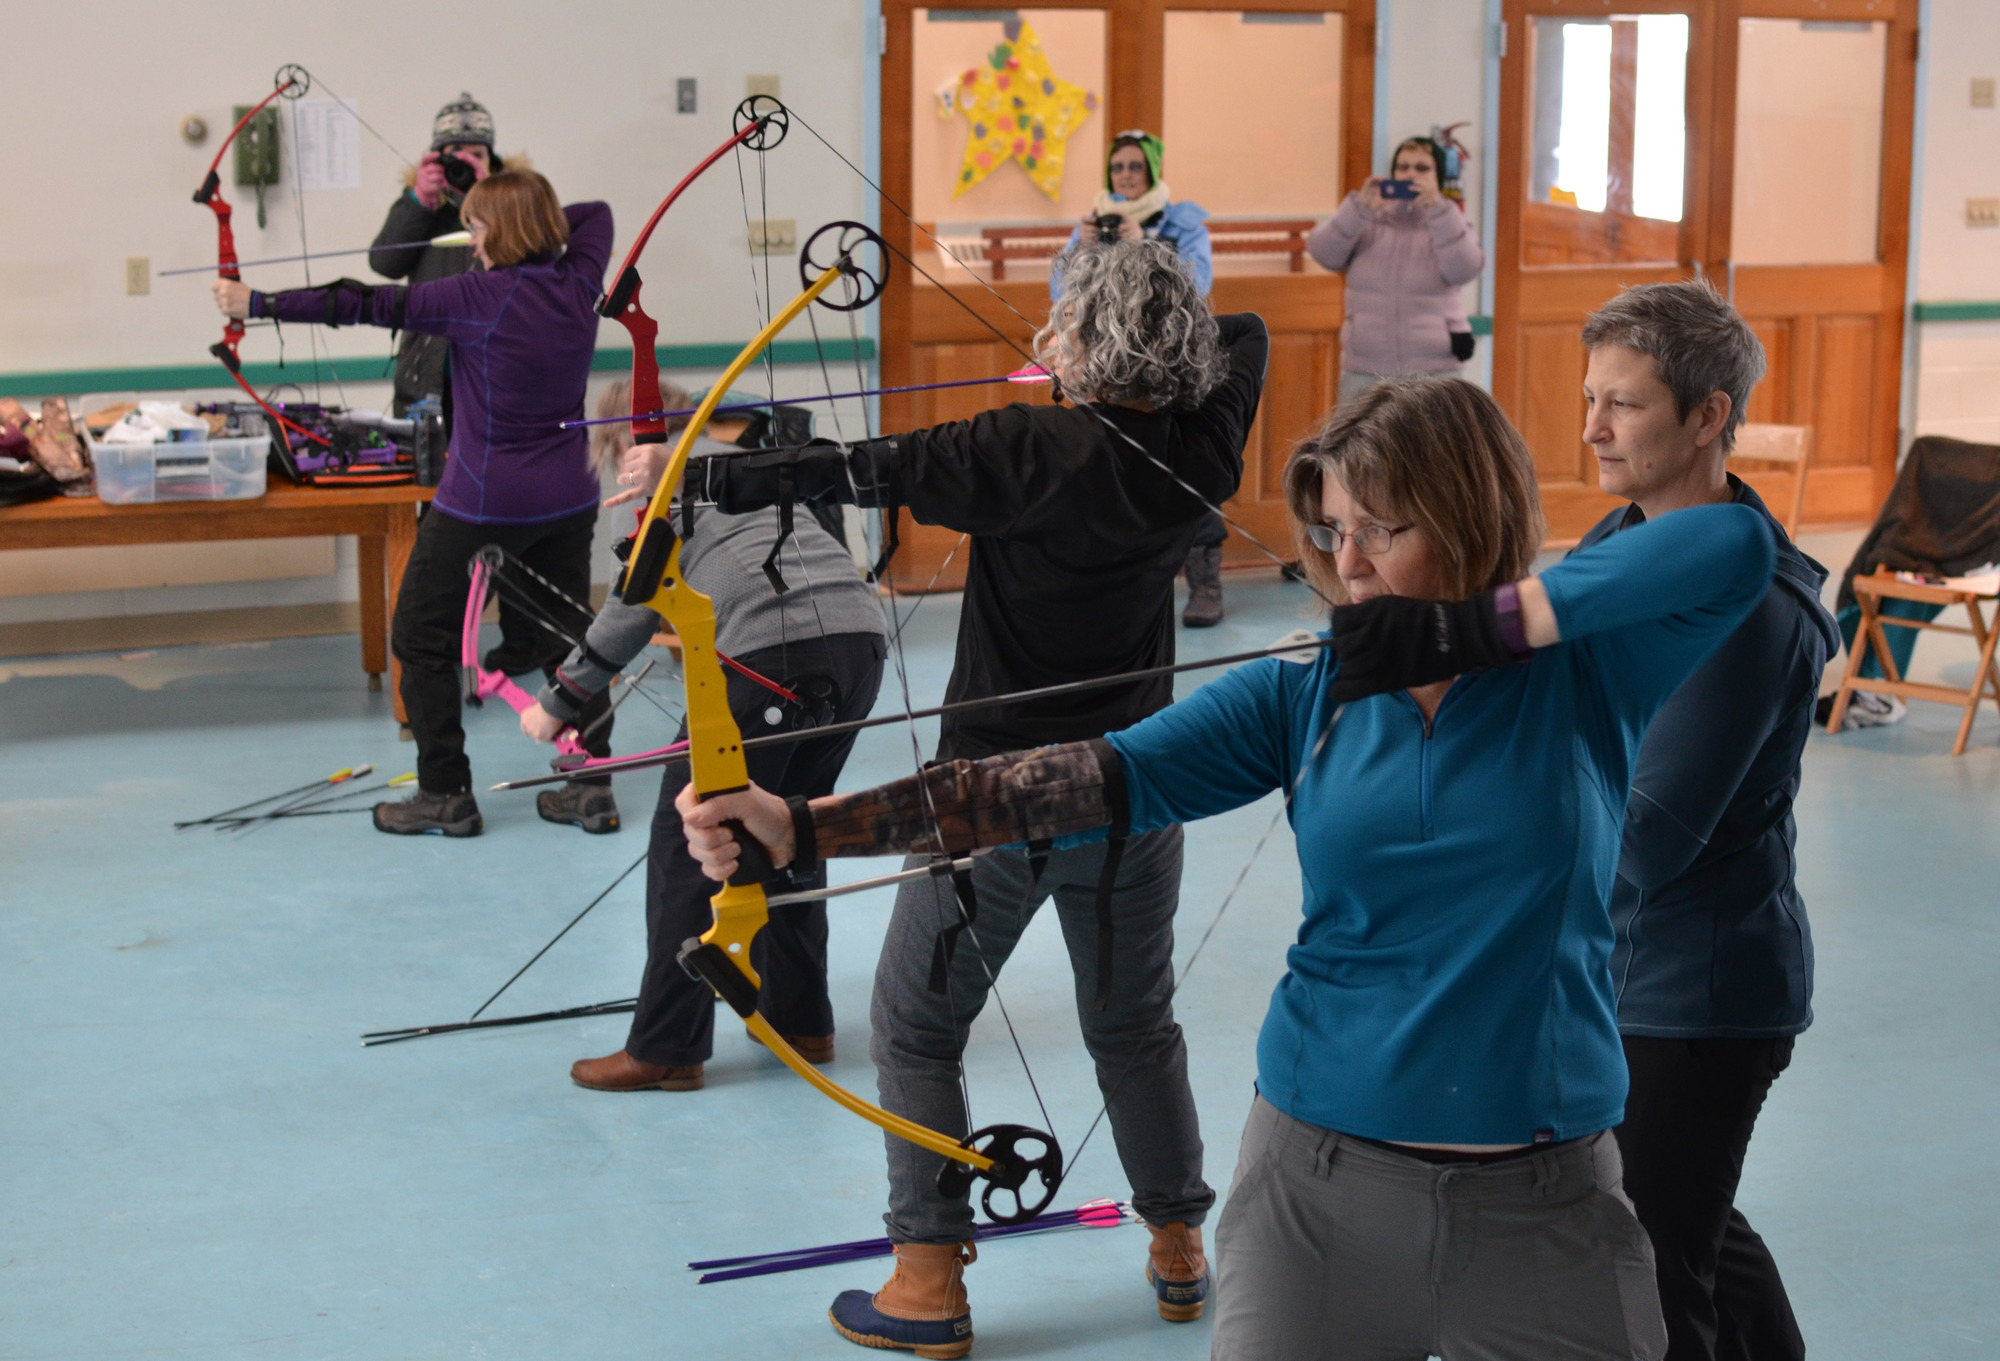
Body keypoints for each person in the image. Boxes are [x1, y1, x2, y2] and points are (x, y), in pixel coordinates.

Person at [684, 375, 1784, 1361]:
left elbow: (1735, 546)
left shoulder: (1587, 677)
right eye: (1333, 530)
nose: (1348, 562)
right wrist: (801, 827)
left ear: (1468, 513)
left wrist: (1475, 628)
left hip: (1543, 1208)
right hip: (1315, 1198)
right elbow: (1066, 781)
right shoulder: (1301, 697)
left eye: (1382, 528)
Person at [701, 239, 1265, 1354]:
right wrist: (1126, 351)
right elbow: (1242, 335)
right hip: (1134, 787)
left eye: (1065, 324)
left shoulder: (1021, 445)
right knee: (1133, 1024)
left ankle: (926, 1281)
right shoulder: (1201, 447)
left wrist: (706, 477)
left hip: (987, 803)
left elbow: (853, 469)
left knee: (914, 1026)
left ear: (1085, 346)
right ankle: (1176, 1245)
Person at [1578, 281, 1834, 1361]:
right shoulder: (1621, 533)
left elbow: (1640, 836)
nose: (1592, 428)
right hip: (1624, 971)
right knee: (1690, 1224)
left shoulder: (1750, 609)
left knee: (1651, 1269)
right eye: (1589, 399)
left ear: (1707, 416)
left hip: (1693, 997)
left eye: (1623, 404)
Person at [212, 169, 617, 837]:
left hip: (485, 500)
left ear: (503, 231)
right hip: (569, 496)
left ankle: (445, 794)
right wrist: (528, 219)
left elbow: (362, 302)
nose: (472, 241)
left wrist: (257, 302)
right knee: (568, 638)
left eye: (478, 229)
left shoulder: (476, 294)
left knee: (420, 636)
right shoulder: (578, 280)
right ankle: (592, 783)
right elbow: (594, 210)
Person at [532, 378, 887, 1091]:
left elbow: (632, 607)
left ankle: (667, 1047)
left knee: (688, 838)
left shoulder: (666, 490)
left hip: (772, 655)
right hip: (861, 645)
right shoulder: (747, 466)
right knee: (792, 825)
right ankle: (802, 1021)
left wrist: (557, 703)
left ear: (622, 443)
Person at [1053, 131, 1226, 629]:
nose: (1125, 175)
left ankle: (1205, 584)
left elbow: (1198, 284)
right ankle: (1122, 584)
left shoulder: (1182, 223)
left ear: (1151, 170)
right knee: (1110, 472)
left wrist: (1141, 246)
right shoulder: (1093, 224)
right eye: (1117, 167)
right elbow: (1062, 292)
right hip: (1109, 370)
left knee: (1187, 468)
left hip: (1173, 367)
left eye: (1135, 166)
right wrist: (1085, 249)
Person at [1306, 136, 1483, 406]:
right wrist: (1359, 209)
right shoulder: (1367, 219)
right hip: (1366, 371)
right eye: (1402, 167)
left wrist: (1437, 211)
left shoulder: (1449, 220)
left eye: (1422, 168)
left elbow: (1465, 269)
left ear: (1437, 177)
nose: (1411, 174)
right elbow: (1323, 253)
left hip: (1435, 372)